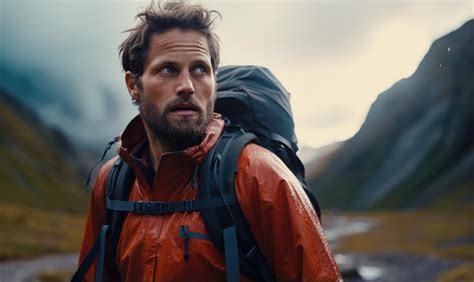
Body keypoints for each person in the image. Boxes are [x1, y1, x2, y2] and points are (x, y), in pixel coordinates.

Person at [78, 1, 341, 281]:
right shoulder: (113, 183)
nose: (187, 86)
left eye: (200, 69)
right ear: (134, 85)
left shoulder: (260, 176)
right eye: (168, 69)